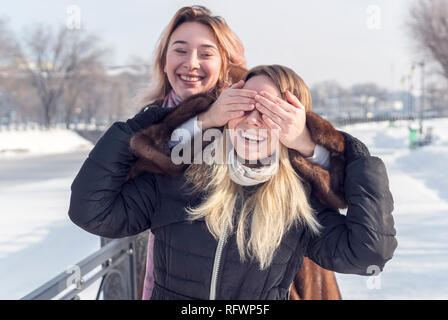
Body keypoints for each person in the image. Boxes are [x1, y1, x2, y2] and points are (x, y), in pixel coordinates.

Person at [68, 6, 397, 300]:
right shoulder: (179, 178)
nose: (254, 118)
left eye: (270, 111)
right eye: (246, 106)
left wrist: (318, 144)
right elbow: (92, 210)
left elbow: (368, 255)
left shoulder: (297, 202)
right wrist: (175, 120)